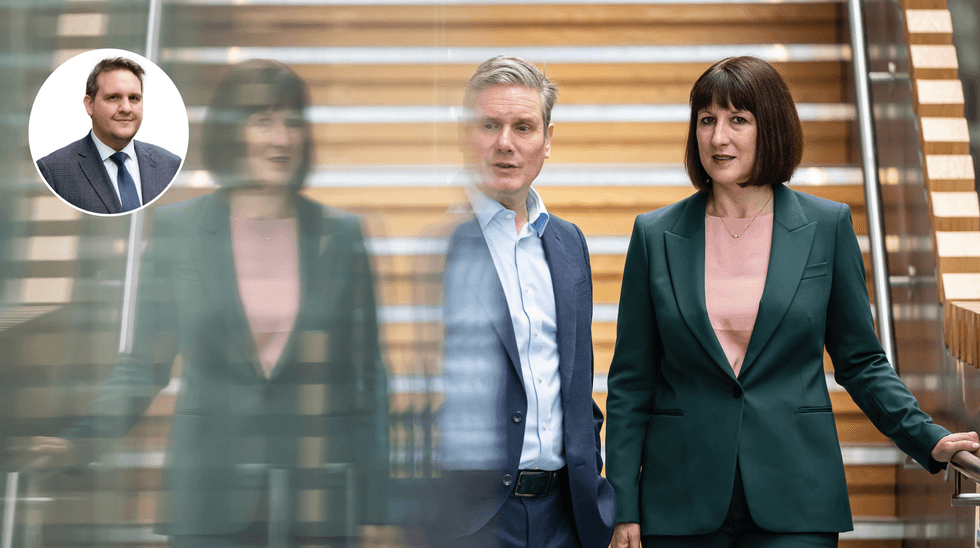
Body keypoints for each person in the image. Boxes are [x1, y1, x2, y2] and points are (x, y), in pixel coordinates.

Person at [605, 56, 980, 548]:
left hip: (796, 493)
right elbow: (631, 382)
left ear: (771, 127)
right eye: (707, 120)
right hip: (680, 498)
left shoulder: (826, 226)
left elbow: (861, 361)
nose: (719, 138)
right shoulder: (655, 235)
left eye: (738, 119)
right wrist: (623, 507)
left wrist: (926, 437)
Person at [22, 59, 389, 547]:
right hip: (209, 502)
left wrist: (378, 507)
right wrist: (78, 442)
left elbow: (366, 380)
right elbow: (144, 366)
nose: (280, 139)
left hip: (312, 505)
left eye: (292, 121)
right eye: (262, 120)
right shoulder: (181, 231)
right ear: (232, 133)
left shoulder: (340, 236)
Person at [432, 56, 615, 548]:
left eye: (523, 126)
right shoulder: (439, 242)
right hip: (475, 521)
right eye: (489, 125)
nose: (505, 143)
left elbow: (576, 384)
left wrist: (596, 493)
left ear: (548, 140)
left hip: (567, 516)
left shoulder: (569, 243)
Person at [36, 56, 181, 214]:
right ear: (89, 105)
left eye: (134, 98)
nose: (126, 108)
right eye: (113, 97)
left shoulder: (170, 166)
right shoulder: (53, 171)